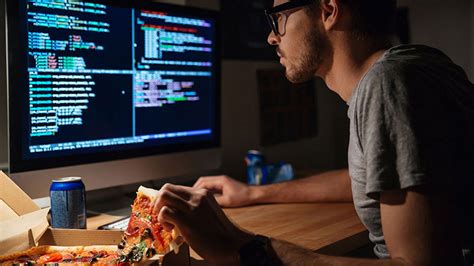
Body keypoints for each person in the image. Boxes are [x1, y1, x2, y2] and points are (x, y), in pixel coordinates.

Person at [154, 0, 474, 265]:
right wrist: (254, 193)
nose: (271, 37)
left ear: (328, 10)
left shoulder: (387, 86)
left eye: (278, 17)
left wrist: (240, 245)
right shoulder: (420, 64)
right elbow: (373, 178)